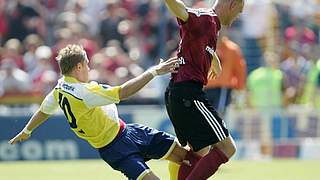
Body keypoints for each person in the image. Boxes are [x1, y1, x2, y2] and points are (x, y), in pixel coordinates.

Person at [9, 44, 193, 180]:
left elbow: (43, 111)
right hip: (115, 149)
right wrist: (154, 72)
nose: (89, 68)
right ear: (78, 67)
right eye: (87, 64)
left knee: (185, 157)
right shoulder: (84, 93)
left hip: (128, 131)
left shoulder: (59, 88)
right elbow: (124, 92)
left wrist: (27, 131)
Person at [164, 0, 244, 179]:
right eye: (239, 11)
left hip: (178, 93)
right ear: (231, 4)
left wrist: (213, 60)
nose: (238, 17)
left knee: (200, 152)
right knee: (227, 147)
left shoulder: (212, 27)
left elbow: (198, 42)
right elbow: (182, 12)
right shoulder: (206, 17)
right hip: (188, 94)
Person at [205, 34, 246, 114]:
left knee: (219, 114)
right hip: (205, 87)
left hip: (222, 88)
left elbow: (240, 70)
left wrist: (240, 89)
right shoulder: (204, 46)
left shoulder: (232, 49)